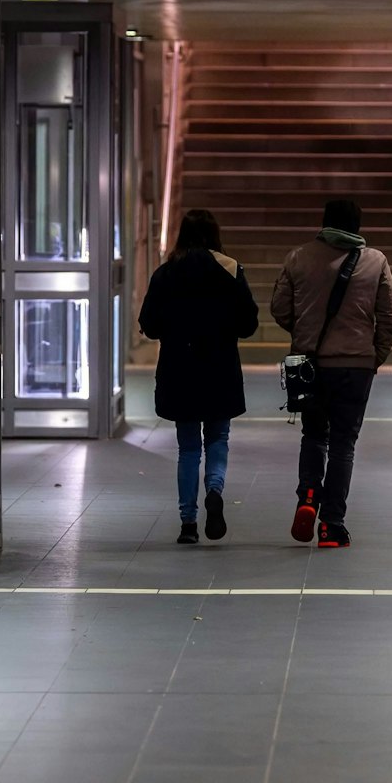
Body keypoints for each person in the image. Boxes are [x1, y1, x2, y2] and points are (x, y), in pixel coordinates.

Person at [270, 198, 392, 548]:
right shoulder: (375, 261)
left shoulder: (298, 257)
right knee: (344, 444)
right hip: (356, 366)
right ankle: (331, 525)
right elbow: (391, 316)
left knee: (314, 435)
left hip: (311, 365)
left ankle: (308, 497)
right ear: (357, 226)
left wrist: (304, 335)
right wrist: (375, 355)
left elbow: (279, 308)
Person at [138, 209, 261, 543]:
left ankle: (188, 524)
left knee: (188, 448)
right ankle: (215, 490)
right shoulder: (230, 269)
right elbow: (249, 324)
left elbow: (148, 323)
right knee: (218, 438)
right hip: (220, 367)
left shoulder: (165, 273)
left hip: (180, 369)